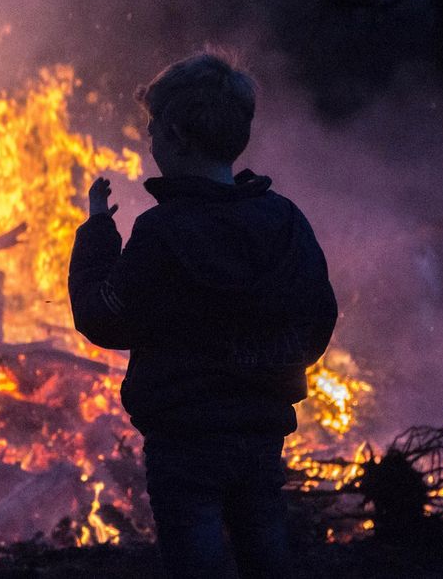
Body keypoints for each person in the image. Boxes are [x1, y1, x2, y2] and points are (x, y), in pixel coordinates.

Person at [68, 53, 337, 578]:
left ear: (174, 136)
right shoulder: (284, 221)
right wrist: (266, 369)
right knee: (265, 551)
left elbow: (103, 316)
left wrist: (98, 230)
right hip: (260, 434)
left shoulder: (163, 233)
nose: (149, 142)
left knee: (196, 560)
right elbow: (317, 318)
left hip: (184, 442)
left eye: (151, 129)